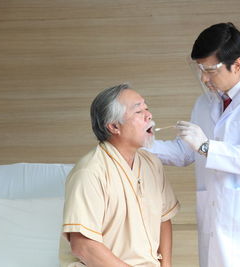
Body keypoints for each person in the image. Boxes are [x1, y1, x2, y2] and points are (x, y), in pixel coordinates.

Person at [148, 23, 240, 266]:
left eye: (210, 70)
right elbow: (186, 152)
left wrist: (207, 147)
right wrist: (142, 144)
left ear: (236, 64)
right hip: (216, 221)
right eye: (200, 70)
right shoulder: (206, 103)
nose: (204, 78)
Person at [59, 84, 180, 267]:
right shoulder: (90, 172)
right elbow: (82, 246)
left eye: (147, 108)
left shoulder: (152, 164)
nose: (149, 115)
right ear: (114, 126)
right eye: (139, 111)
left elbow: (164, 220)